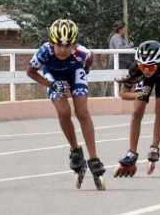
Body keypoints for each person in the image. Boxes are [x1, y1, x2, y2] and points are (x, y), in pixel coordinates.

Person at [26, 19, 106, 190]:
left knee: (82, 111)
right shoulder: (44, 52)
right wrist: (50, 85)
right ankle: (75, 149)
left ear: (74, 44)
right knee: (63, 112)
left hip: (75, 73)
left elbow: (89, 61)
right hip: (53, 77)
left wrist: (85, 72)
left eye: (67, 46)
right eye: (59, 45)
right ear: (51, 42)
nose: (63, 50)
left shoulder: (83, 53)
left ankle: (93, 157)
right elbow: (30, 72)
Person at [113, 40, 160, 177]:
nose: (146, 70)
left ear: (158, 62)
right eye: (143, 65)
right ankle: (131, 152)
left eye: (150, 67)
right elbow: (122, 94)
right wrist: (138, 94)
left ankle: (154, 147)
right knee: (137, 112)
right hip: (145, 82)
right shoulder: (136, 69)